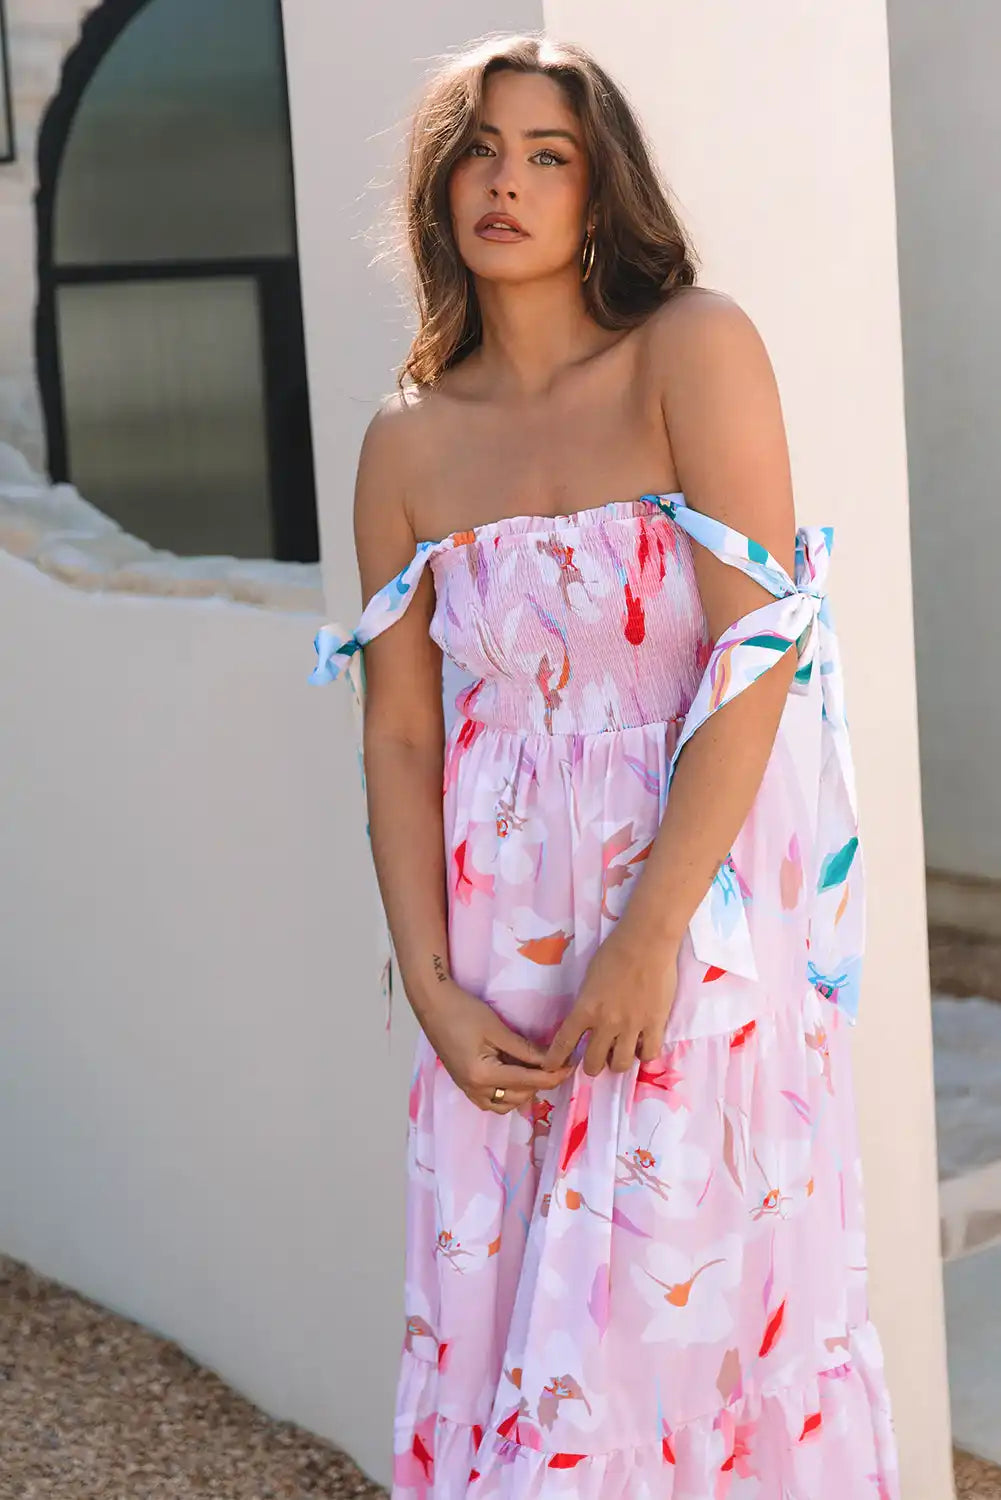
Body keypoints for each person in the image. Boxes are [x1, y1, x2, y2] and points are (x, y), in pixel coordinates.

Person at [310, 31, 900, 1499]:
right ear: (437, 187)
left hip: (689, 927)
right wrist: (432, 989)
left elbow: (756, 655)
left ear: (601, 189)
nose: (504, 182)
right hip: (494, 946)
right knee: (514, 1328)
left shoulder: (689, 349)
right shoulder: (404, 442)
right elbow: (395, 731)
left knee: (661, 1337)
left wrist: (649, 940)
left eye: (547, 154)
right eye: (478, 152)